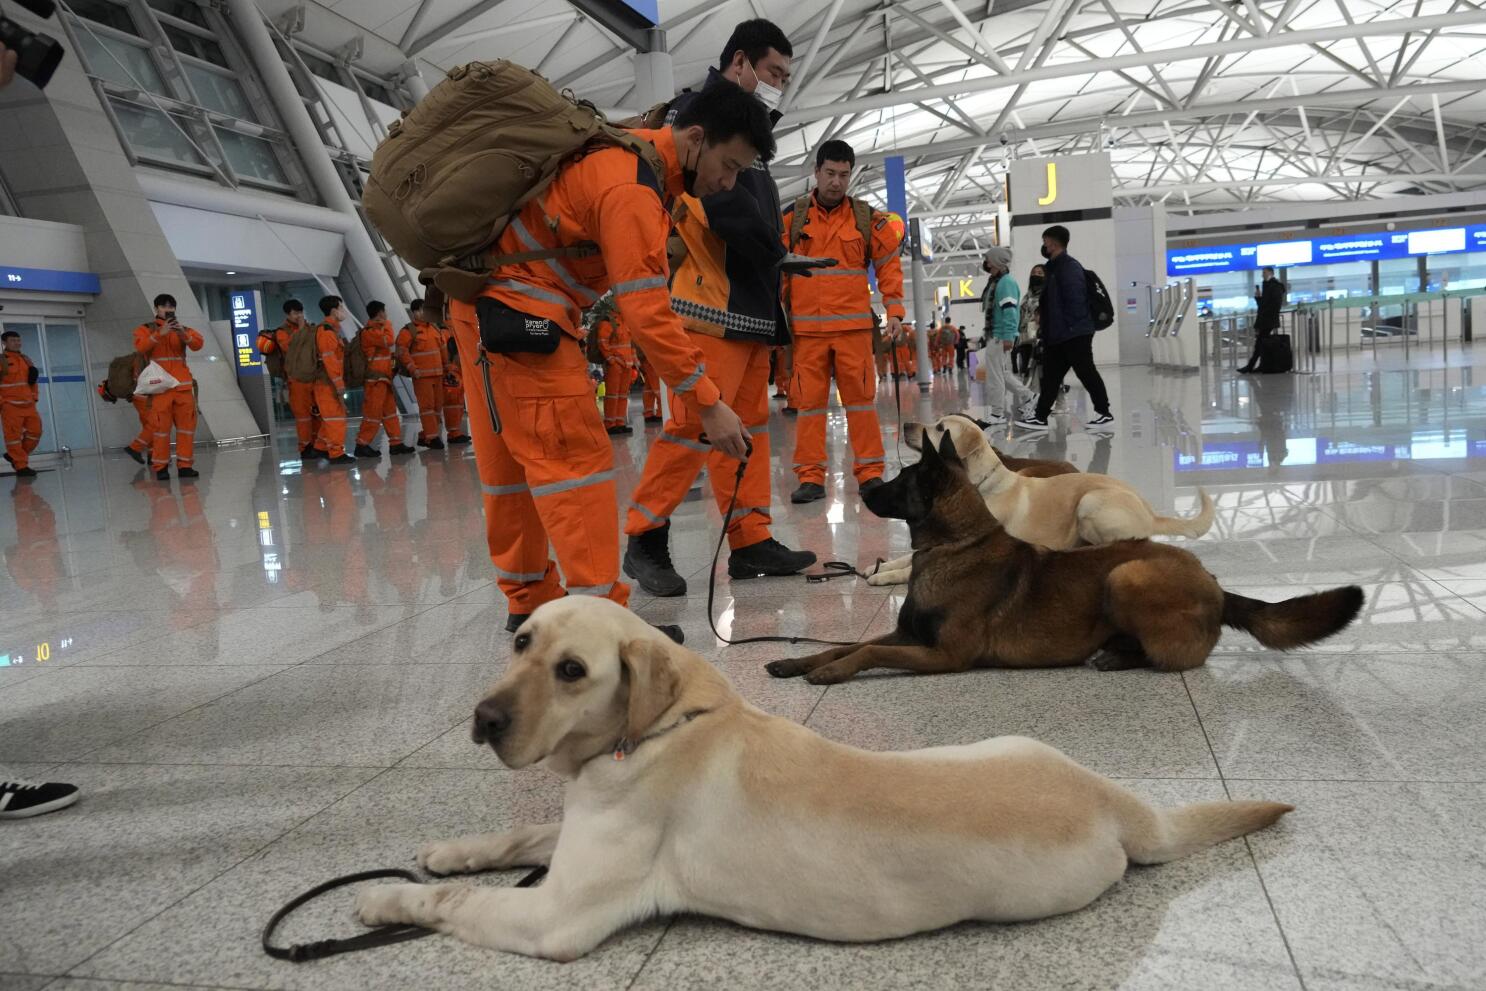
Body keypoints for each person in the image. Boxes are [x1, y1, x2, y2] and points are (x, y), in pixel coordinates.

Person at [444, 78, 765, 630]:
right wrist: (708, 401)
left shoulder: (623, 157)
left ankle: (529, 599)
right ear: (694, 138)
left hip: (479, 310)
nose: (728, 183)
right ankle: (603, 626)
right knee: (575, 463)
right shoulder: (632, 189)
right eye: (729, 165)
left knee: (510, 467)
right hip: (524, 316)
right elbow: (647, 314)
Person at [623, 18, 816, 595]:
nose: (778, 83)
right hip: (712, 302)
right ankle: (645, 536)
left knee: (748, 429)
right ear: (740, 63)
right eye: (773, 72)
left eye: (785, 75)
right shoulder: (700, 117)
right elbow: (720, 206)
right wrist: (775, 250)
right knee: (692, 427)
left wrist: (776, 258)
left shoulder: (750, 131)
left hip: (751, 305)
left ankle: (750, 539)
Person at [780, 138, 904, 504]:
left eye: (844, 175)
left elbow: (889, 266)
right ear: (816, 172)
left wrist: (895, 311)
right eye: (830, 173)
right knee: (809, 407)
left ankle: (870, 474)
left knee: (862, 404)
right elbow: (775, 269)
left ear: (851, 176)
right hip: (808, 333)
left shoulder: (868, 220)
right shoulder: (792, 219)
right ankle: (811, 478)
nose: (836, 181)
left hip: (852, 332)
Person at [1016, 225, 1113, 430]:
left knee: (1086, 372)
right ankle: (1041, 417)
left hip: (1074, 333)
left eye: (1045, 243)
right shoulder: (1052, 268)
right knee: (1051, 377)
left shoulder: (1069, 267)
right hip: (1057, 335)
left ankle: (1104, 412)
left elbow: (1075, 301)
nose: (1043, 246)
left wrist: (1069, 330)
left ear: (1052, 243)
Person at [133, 294, 204, 480]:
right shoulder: (146, 329)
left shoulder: (184, 329)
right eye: (164, 306)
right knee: (161, 430)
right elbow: (140, 348)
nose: (168, 309)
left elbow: (198, 344)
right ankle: (161, 467)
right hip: (160, 388)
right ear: (156, 308)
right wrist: (159, 334)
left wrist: (182, 333)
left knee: (186, 430)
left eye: (171, 306)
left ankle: (185, 466)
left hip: (182, 387)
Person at [256, 299, 323, 458]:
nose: (298, 316)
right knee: (303, 416)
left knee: (317, 413)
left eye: (300, 312)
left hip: (314, 376)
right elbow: (291, 349)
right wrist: (301, 329)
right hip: (296, 378)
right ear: (288, 314)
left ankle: (319, 445)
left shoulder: (310, 328)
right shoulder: (282, 332)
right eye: (295, 313)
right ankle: (305, 447)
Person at [980, 247, 1037, 423]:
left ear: (997, 261)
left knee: (995, 376)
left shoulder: (1005, 283)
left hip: (999, 336)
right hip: (996, 336)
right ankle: (1029, 397)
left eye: (989, 260)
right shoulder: (996, 282)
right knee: (1003, 374)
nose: (987, 263)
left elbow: (1010, 312)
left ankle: (997, 413)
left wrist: (1008, 337)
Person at [353, 301, 415, 458]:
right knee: (373, 413)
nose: (386, 315)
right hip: (375, 380)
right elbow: (389, 340)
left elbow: (387, 352)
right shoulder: (369, 332)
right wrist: (386, 324)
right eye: (385, 312)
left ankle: (396, 443)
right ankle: (362, 444)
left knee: (390, 413)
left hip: (384, 378)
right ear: (380, 313)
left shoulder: (377, 330)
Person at [397, 299, 453, 449]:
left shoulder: (434, 328)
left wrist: (447, 368)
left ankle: (426, 435)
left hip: (438, 374)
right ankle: (432, 437)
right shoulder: (408, 331)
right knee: (427, 407)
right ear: (414, 312)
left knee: (437, 407)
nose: (424, 313)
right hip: (422, 377)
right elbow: (402, 352)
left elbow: (442, 349)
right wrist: (413, 369)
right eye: (421, 310)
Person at [310, 295, 357, 466]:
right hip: (326, 384)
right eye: (341, 307)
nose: (343, 311)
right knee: (335, 418)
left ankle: (321, 447)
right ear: (334, 310)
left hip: (326, 382)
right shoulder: (327, 333)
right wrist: (339, 385)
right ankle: (336, 453)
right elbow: (330, 362)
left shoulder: (330, 331)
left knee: (331, 418)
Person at [1, 330, 42, 478]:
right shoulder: (2, 360)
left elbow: (32, 382)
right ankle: (21, 466)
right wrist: (2, 403)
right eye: (13, 340)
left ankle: (16, 456)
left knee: (35, 432)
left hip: (29, 405)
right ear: (4, 343)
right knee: (13, 438)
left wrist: (34, 397)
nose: (17, 343)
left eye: (18, 340)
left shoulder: (26, 359)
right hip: (10, 406)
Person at [596, 311, 638, 435]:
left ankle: (620, 422)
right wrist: (611, 359)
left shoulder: (626, 321)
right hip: (615, 364)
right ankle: (610, 424)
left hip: (627, 364)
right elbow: (602, 342)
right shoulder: (609, 322)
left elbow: (631, 344)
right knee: (612, 395)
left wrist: (634, 360)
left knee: (623, 395)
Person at [1240, 266, 1287, 373]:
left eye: (1264, 272)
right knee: (1261, 344)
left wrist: (1265, 311)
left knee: (1259, 344)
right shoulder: (1267, 286)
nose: (1262, 275)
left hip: (1268, 320)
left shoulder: (1275, 286)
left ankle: (1250, 366)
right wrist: (1258, 298)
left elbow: (1274, 305)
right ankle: (1260, 365)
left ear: (1271, 273)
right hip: (1265, 320)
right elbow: (1263, 305)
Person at [437, 320, 470, 444]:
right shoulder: (444, 334)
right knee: (453, 402)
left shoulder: (445, 333)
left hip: (455, 370)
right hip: (453, 371)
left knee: (457, 403)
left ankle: (455, 432)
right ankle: (454, 433)